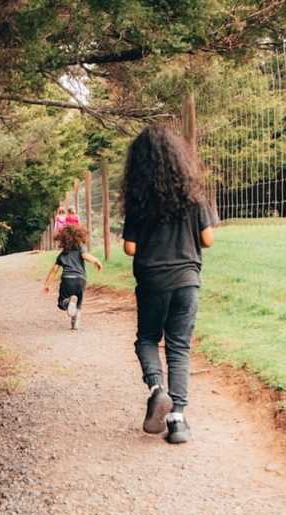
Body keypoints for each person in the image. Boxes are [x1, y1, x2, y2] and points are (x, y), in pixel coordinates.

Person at [121, 124, 216, 445]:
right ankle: (177, 420)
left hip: (151, 279)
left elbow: (130, 248)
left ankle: (157, 389)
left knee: (147, 338)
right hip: (187, 279)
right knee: (179, 347)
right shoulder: (193, 196)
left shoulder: (138, 200)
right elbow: (208, 239)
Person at [42, 224, 102, 330]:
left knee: (62, 303)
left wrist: (47, 284)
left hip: (67, 280)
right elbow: (85, 256)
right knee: (78, 302)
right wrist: (96, 260)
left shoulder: (62, 254)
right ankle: (75, 321)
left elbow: (54, 270)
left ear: (63, 241)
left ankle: (68, 302)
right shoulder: (81, 248)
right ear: (80, 237)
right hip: (81, 280)